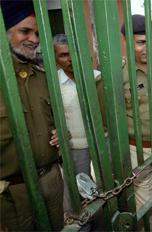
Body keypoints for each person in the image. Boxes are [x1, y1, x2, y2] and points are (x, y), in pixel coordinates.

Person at [0, 1, 64, 230]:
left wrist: (59, 132)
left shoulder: (42, 76)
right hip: (13, 194)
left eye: (36, 33)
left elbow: (53, 119)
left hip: (51, 179)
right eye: (25, 31)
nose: (35, 39)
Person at [118, 14, 152, 216]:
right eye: (141, 43)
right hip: (139, 152)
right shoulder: (119, 74)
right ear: (125, 42)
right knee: (145, 208)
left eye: (151, 41)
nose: (148, 48)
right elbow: (109, 120)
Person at [53, 34, 101, 212]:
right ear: (55, 59)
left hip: (101, 144)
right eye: (63, 55)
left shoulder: (97, 78)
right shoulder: (53, 84)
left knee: (105, 188)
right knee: (80, 191)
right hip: (75, 148)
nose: (70, 59)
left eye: (72, 53)